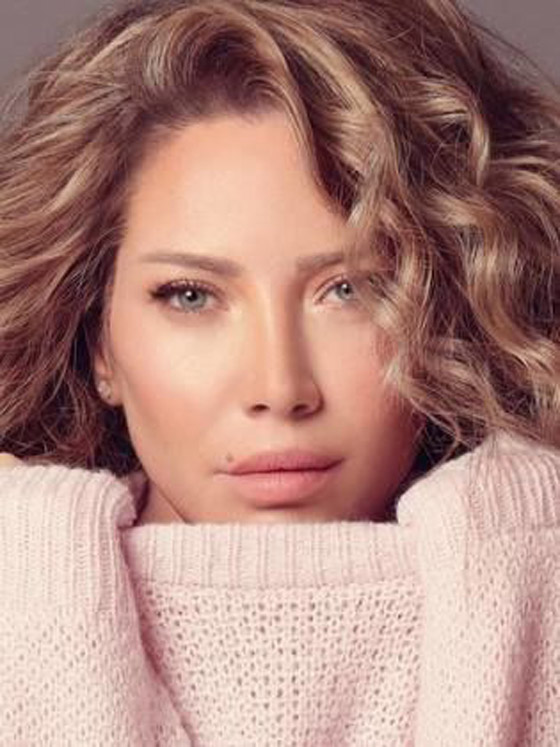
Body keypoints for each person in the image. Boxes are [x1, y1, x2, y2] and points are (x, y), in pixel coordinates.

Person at [0, 0, 559, 743]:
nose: (279, 389)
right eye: (191, 295)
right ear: (99, 344)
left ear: (446, 311)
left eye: (351, 289)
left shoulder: (539, 581)